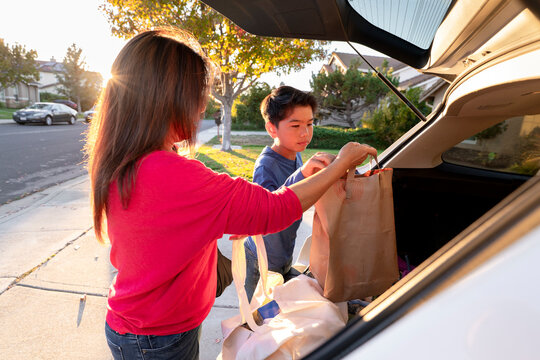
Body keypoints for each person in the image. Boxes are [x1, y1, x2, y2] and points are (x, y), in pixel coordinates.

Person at [85, 27, 377, 360]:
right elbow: (274, 210)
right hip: (156, 337)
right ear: (167, 98)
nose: (201, 110)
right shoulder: (170, 172)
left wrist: (225, 214)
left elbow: (165, 230)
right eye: (198, 97)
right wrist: (340, 165)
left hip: (147, 327)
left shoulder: (132, 160)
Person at [244, 85, 332, 301]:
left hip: (282, 254)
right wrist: (303, 173)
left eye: (310, 124)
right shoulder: (266, 166)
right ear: (272, 129)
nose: (305, 133)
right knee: (256, 315)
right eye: (295, 126)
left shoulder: (295, 154)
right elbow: (270, 210)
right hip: (262, 258)